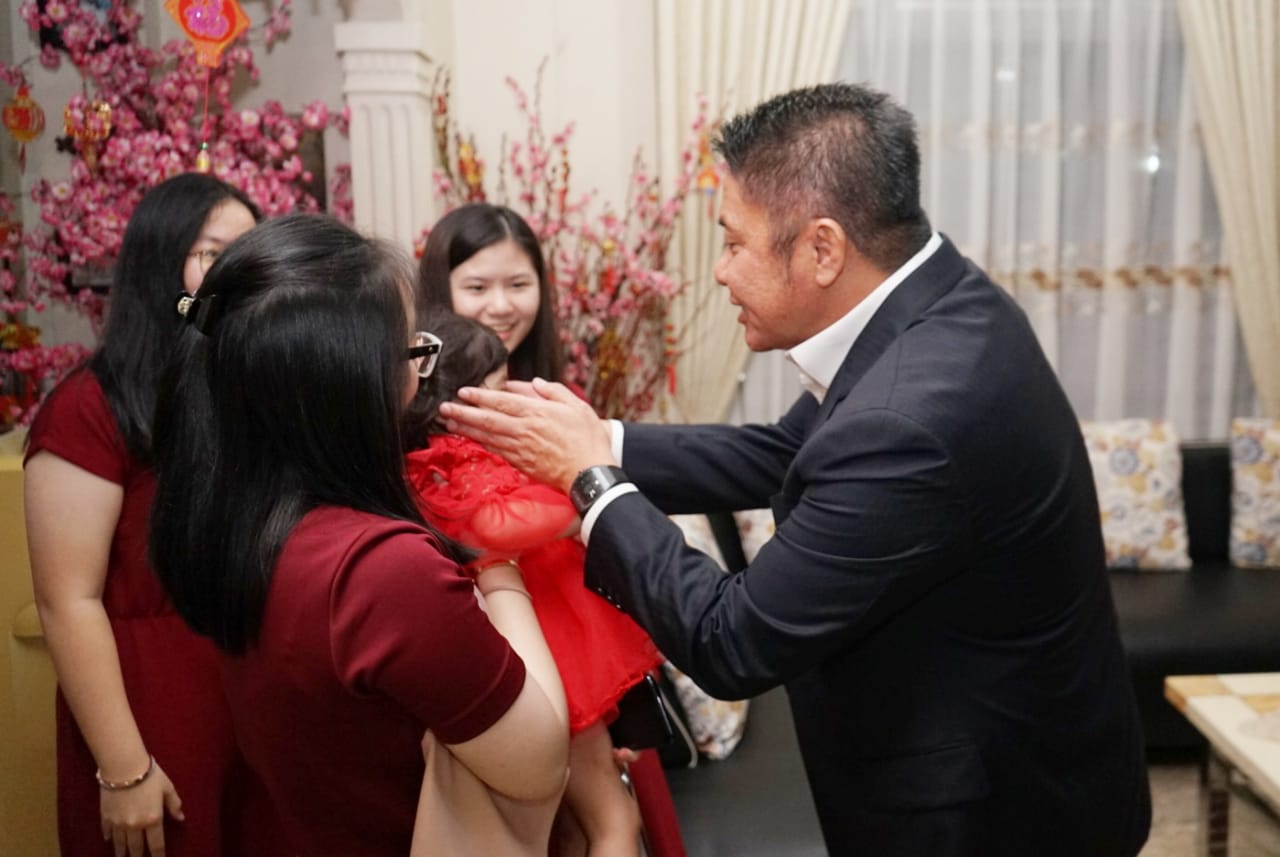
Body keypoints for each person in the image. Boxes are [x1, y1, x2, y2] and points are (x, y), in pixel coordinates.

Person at [438, 82, 1153, 857]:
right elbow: (784, 452)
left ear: (822, 248)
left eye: (734, 243)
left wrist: (592, 482)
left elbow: (731, 638)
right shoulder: (936, 301)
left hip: (991, 815)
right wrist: (599, 440)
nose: (720, 272)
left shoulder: (909, 415)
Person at [146, 214, 569, 856]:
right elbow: (538, 762)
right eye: (411, 351)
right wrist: (499, 567)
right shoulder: (381, 571)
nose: (420, 371)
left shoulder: (234, 520)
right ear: (354, 383)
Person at [417, 202, 687, 857]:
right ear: (439, 291)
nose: (502, 305)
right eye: (477, 286)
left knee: (598, 820)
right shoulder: (426, 435)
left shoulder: (551, 399)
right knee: (572, 828)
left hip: (578, 638)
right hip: (512, 649)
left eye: (519, 283)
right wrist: (586, 499)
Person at [23, 173, 264, 857]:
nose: (235, 272)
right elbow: (67, 600)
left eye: (248, 254)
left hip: (252, 700)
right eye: (212, 252)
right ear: (161, 260)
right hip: (149, 708)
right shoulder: (88, 407)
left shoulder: (244, 388)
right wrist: (124, 765)